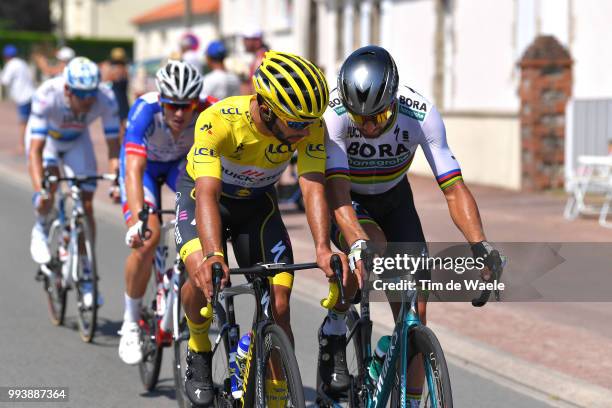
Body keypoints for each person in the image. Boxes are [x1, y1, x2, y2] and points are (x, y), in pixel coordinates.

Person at [320, 45, 503, 405]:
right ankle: (335, 326)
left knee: (415, 314)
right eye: (361, 119)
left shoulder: (420, 113)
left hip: (395, 199)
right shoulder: (334, 115)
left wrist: (480, 245)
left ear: (393, 98)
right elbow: (337, 192)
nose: (369, 127)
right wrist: (356, 242)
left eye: (378, 116)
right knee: (374, 248)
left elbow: (454, 189)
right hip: (349, 200)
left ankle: (411, 398)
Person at [174, 50, 350, 406]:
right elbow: (208, 194)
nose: (304, 133)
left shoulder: (309, 124)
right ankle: (198, 346)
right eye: (296, 124)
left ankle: (274, 391)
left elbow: (312, 184)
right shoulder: (218, 121)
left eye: (309, 123)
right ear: (267, 109)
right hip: (204, 198)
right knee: (201, 276)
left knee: (280, 303)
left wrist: (322, 247)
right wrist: (212, 255)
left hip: (257, 207)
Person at [117, 60, 215, 364]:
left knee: (200, 229)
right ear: (161, 100)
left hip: (179, 168)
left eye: (187, 106)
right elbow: (133, 169)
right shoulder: (144, 109)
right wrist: (138, 218)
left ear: (196, 102)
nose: (179, 113)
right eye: (172, 106)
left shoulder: (209, 109)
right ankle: (131, 322)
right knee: (148, 238)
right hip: (144, 170)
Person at [26, 57, 121, 308]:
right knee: (50, 188)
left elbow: (114, 146)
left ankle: (86, 272)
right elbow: (34, 152)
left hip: (78, 141)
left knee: (86, 206)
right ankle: (40, 226)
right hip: (47, 142)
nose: (87, 100)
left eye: (91, 93)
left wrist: (116, 181)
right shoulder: (47, 95)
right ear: (67, 89)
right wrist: (40, 191)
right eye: (81, 94)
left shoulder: (105, 98)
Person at [1, 44, 35, 153]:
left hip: (23, 97)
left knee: (23, 122)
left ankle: (22, 145)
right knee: (30, 121)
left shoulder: (11, 64)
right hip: (30, 94)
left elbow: (5, 81)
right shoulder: (22, 63)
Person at [240, 27, 268, 94]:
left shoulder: (261, 59)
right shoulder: (259, 57)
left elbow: (256, 90)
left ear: (257, 40)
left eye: (246, 39)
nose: (243, 42)